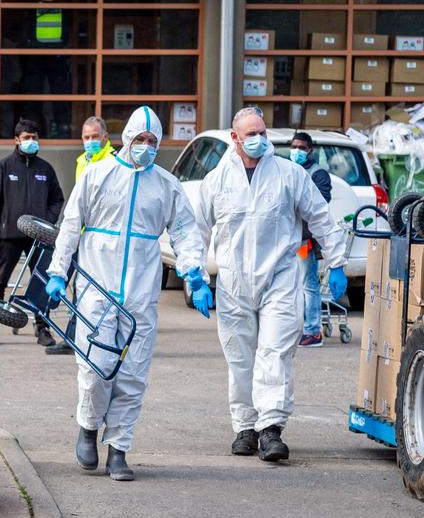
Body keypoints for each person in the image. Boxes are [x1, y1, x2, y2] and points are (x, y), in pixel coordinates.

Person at [45, 106, 210, 481]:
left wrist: (195, 275)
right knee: (95, 367)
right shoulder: (97, 175)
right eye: (141, 140)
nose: (147, 147)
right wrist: (57, 271)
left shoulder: (167, 185)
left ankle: (118, 448)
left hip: (140, 292)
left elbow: (185, 232)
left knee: (133, 372)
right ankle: (88, 427)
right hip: (96, 287)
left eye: (154, 141)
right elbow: (71, 226)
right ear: (127, 138)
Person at [197, 108, 349, 461]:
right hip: (234, 281)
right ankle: (245, 428)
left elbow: (321, 218)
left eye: (262, 132)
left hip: (280, 277)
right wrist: (196, 275)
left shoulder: (289, 174)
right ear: (234, 138)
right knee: (240, 357)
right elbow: (196, 230)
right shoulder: (217, 181)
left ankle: (271, 429)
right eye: (250, 134)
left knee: (275, 353)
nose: (259, 139)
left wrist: (337, 261)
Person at [0, 117, 65, 348]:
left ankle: (42, 327)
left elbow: (57, 199)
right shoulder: (3, 168)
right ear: (16, 140)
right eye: (26, 138)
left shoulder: (45, 169)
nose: (31, 141)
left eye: (34, 138)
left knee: (40, 282)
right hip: (9, 236)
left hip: (38, 239)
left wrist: (46, 223)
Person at [291, 131, 334, 348]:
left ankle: (313, 331)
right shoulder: (290, 171)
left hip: (305, 240)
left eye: (301, 148)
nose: (296, 151)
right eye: (294, 147)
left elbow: (320, 206)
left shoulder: (318, 174)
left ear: (310, 150)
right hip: (292, 238)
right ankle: (302, 327)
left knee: (308, 284)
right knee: (296, 284)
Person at [75, 116, 114, 184]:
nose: (90, 141)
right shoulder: (81, 161)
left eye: (95, 136)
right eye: (86, 137)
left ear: (105, 136)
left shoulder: (113, 160)